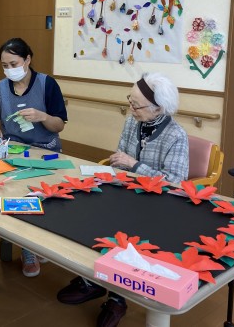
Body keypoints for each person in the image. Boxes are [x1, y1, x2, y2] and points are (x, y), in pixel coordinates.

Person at [56, 72, 189, 327]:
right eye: (130, 101)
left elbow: (175, 183)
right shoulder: (132, 122)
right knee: (90, 213)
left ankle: (117, 298)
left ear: (158, 108)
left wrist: (135, 165)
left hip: (158, 203)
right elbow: (119, 161)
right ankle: (93, 280)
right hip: (126, 192)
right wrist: (121, 168)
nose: (131, 109)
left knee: (126, 231)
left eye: (136, 105)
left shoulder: (176, 136)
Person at [0, 37, 68, 277]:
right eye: (4, 65)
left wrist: (42, 116)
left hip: (46, 151)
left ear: (27, 60)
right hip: (14, 152)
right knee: (17, 197)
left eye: (13, 64)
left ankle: (40, 243)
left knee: (45, 200)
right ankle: (27, 248)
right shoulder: (0, 89)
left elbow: (59, 125)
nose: (9, 70)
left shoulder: (47, 84)